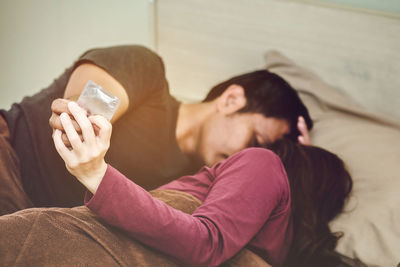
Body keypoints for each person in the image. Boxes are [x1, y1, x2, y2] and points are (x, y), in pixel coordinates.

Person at [0, 103, 351, 267]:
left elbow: (204, 241)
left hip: (48, 247)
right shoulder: (276, 247)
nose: (250, 149)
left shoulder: (265, 162)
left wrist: (96, 173)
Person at [0, 45, 312, 215]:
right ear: (231, 100)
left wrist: (302, 168)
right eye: (254, 141)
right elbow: (91, 104)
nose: (247, 159)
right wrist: (81, 118)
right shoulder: (148, 74)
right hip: (9, 156)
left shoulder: (201, 187)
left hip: (38, 221)